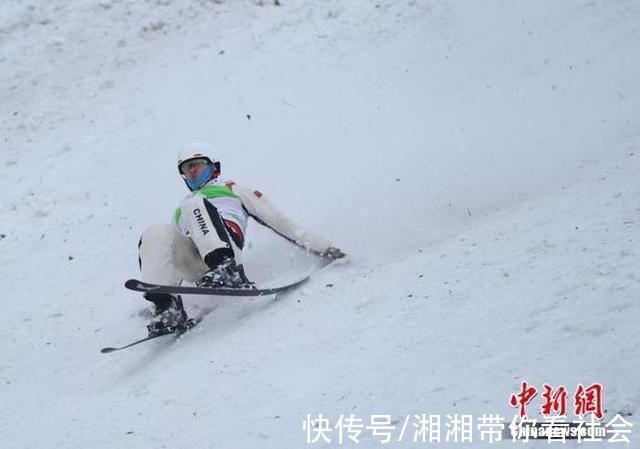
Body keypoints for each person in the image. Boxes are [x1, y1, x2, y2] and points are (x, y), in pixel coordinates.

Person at [138, 142, 345, 336]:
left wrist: (326, 248)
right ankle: (166, 308)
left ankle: (227, 271)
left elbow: (279, 221)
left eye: (197, 165)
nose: (191, 171)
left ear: (213, 166)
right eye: (186, 169)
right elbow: (170, 260)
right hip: (199, 268)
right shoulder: (179, 212)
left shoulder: (233, 189)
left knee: (193, 204)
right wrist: (166, 295)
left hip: (226, 253)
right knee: (156, 231)